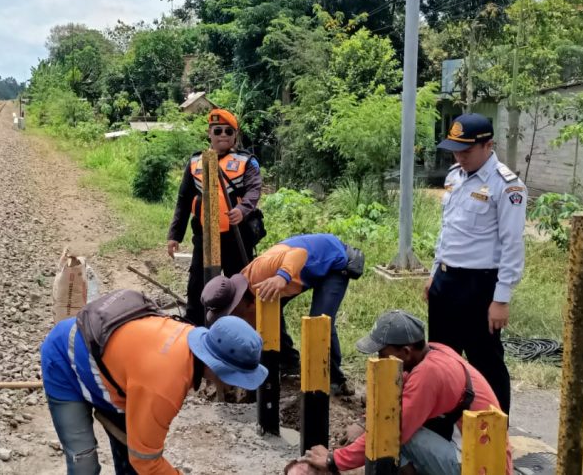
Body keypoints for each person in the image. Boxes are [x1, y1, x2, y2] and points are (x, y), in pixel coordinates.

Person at [40, 313, 267, 474]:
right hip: (65, 358)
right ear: (217, 366)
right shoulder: (164, 386)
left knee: (131, 457)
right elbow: (146, 462)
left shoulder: (188, 339)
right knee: (84, 463)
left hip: (113, 371)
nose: (234, 385)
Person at [300, 310, 511, 475]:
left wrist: (333, 460)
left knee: (393, 433)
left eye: (382, 353)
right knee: (393, 427)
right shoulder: (431, 351)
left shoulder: (429, 374)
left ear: (406, 352)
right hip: (475, 452)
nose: (379, 359)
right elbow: (397, 396)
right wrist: (364, 422)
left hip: (479, 468)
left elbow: (393, 427)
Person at [427, 113, 525, 414]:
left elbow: (512, 244)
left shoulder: (507, 186)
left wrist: (501, 299)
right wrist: (434, 273)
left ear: (488, 146)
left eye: (466, 151)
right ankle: (445, 425)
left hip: (479, 287)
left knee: (486, 362)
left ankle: (495, 429)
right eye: (455, 150)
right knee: (441, 360)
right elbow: (448, 230)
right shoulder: (454, 176)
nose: (460, 157)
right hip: (446, 282)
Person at [167, 109, 263, 327]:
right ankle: (194, 329)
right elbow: (183, 199)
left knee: (239, 285)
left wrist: (242, 209)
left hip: (236, 236)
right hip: (205, 236)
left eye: (228, 131)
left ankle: (239, 328)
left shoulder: (247, 161)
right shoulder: (195, 162)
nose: (223, 135)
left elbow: (254, 190)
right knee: (197, 285)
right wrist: (174, 235)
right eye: (217, 130)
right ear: (209, 133)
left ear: (235, 135)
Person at [239, 233, 364, 394]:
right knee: (270, 313)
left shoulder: (260, 273)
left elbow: (299, 253)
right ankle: (289, 362)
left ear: (244, 304)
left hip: (331, 261)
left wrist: (282, 276)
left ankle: (334, 379)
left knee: (319, 322)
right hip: (305, 269)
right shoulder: (245, 282)